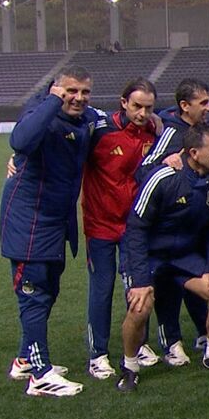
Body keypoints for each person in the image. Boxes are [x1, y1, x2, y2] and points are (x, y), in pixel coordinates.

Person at [1, 66, 102, 397]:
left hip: (55, 225)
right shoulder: (40, 111)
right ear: (56, 90)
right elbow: (20, 140)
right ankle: (40, 374)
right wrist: (52, 101)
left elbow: (120, 119)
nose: (78, 98)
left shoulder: (85, 120)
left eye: (84, 92)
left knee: (48, 291)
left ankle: (24, 360)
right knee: (33, 296)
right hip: (28, 224)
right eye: (71, 91)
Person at [117, 125, 209, 391]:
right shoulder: (163, 177)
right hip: (150, 255)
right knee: (140, 307)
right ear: (193, 153)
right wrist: (139, 280)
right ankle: (130, 367)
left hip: (184, 255)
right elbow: (136, 228)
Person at [82, 78, 161, 379]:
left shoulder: (154, 132)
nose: (142, 113)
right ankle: (98, 355)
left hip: (135, 227)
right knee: (102, 290)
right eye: (137, 106)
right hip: (100, 225)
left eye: (148, 108)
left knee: (138, 286)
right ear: (123, 102)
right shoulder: (99, 131)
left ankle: (139, 345)